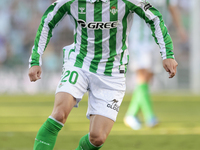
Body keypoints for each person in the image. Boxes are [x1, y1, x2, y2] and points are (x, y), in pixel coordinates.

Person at [28, 0, 178, 149]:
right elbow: (48, 21)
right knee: (59, 113)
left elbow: (155, 18)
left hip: (112, 72)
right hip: (80, 63)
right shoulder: (71, 2)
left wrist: (168, 54)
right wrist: (35, 60)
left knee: (97, 137)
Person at [124, 0, 187, 130]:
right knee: (142, 74)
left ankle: (132, 114)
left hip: (157, 40)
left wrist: (180, 29)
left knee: (148, 77)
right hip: (138, 39)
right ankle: (150, 117)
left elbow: (172, 8)